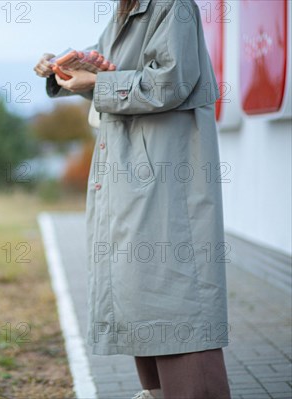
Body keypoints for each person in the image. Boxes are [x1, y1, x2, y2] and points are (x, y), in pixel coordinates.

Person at [34, 0, 231, 398]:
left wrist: (100, 83)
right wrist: (65, 70)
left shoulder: (173, 6)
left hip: (167, 182)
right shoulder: (125, 13)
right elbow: (114, 79)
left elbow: (169, 84)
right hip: (133, 181)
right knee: (142, 299)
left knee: (177, 304)